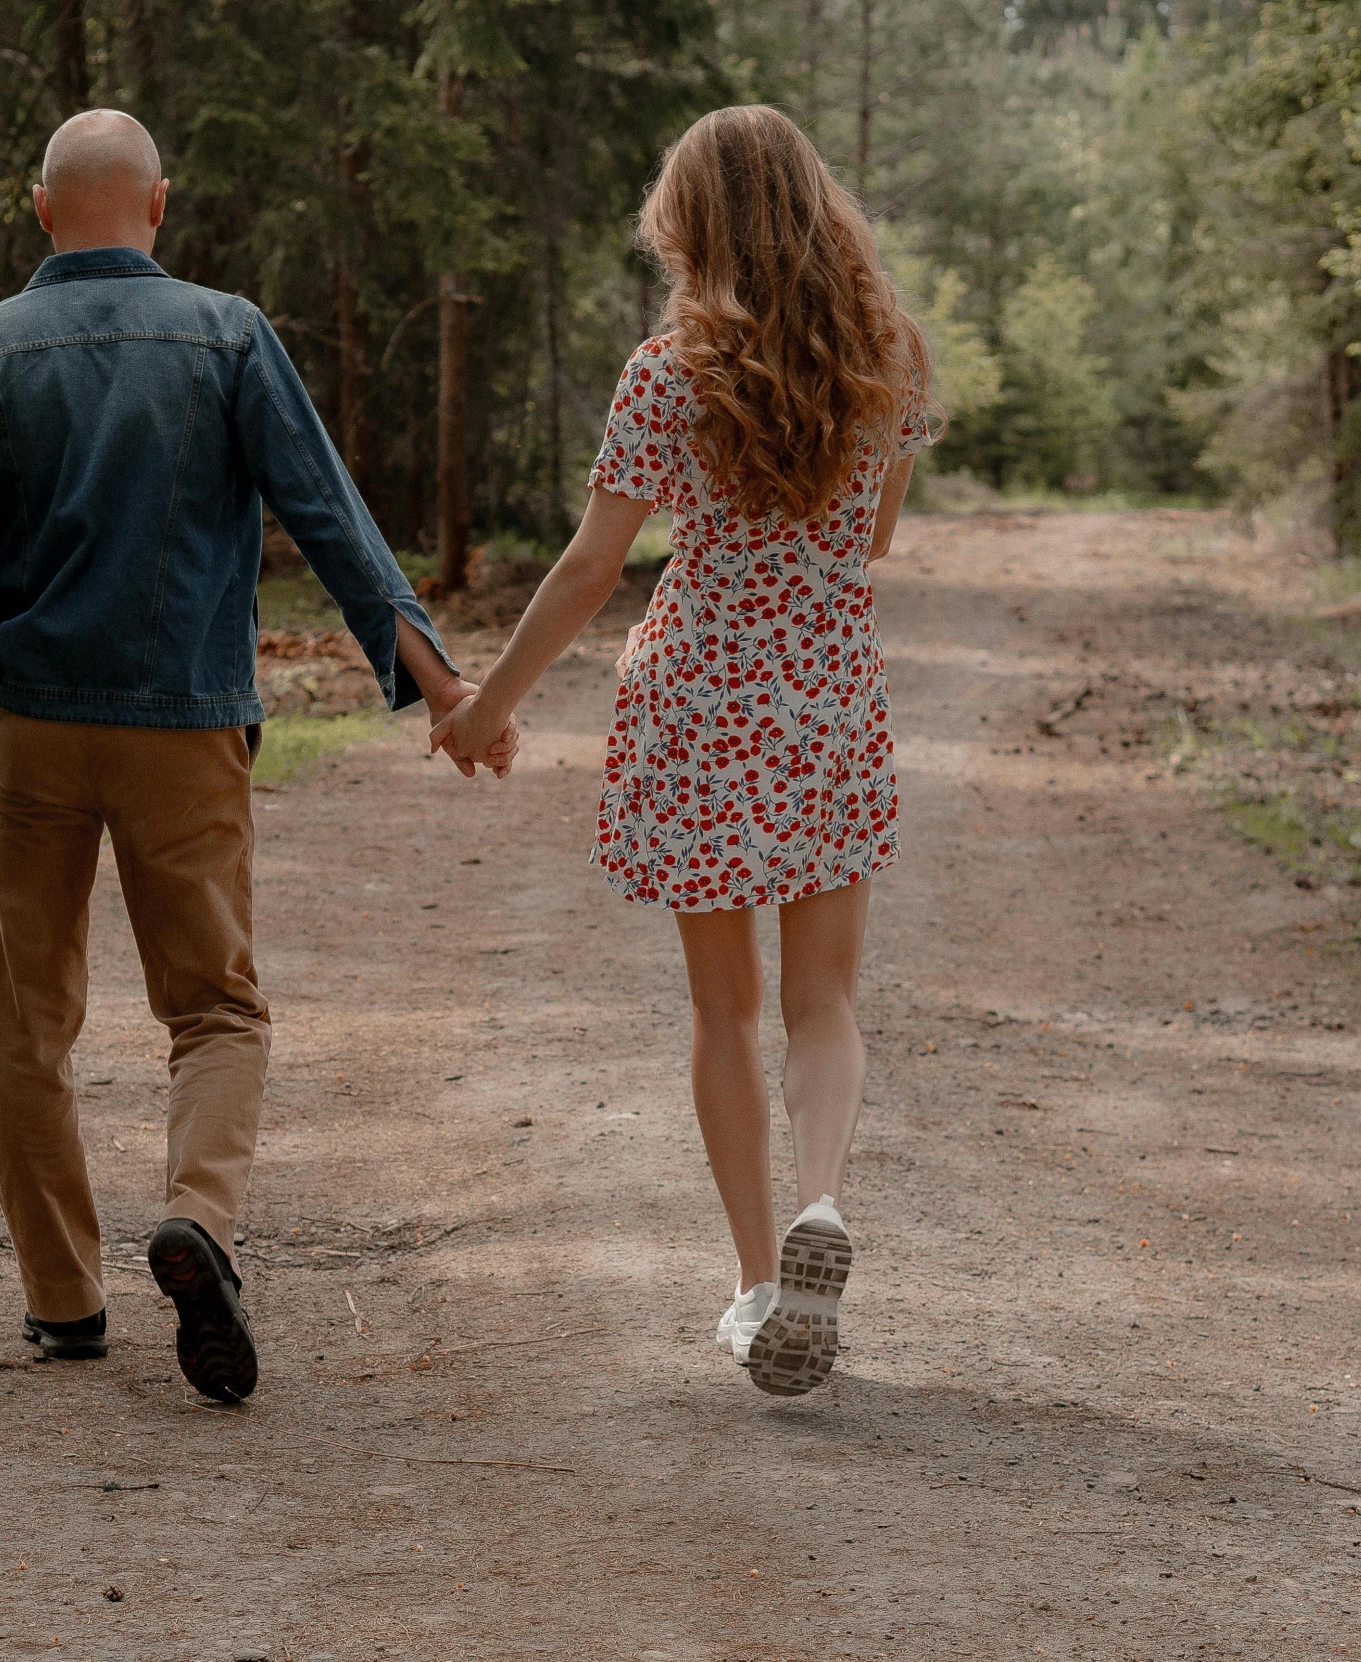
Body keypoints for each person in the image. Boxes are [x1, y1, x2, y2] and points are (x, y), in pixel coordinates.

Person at [0, 109, 513, 1404]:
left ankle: (64, 1303)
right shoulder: (227, 331)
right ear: (160, 206)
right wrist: (442, 681)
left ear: (41, 208)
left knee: (31, 1026)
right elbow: (329, 517)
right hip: (183, 723)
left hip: (30, 724)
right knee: (217, 1010)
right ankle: (199, 1221)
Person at [432, 105, 940, 1398]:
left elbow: (599, 561)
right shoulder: (890, 359)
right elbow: (872, 544)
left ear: (693, 226)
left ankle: (762, 1279)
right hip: (826, 696)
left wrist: (486, 703)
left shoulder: (666, 372)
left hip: (702, 705)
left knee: (725, 1009)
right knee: (825, 1004)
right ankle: (820, 1202)